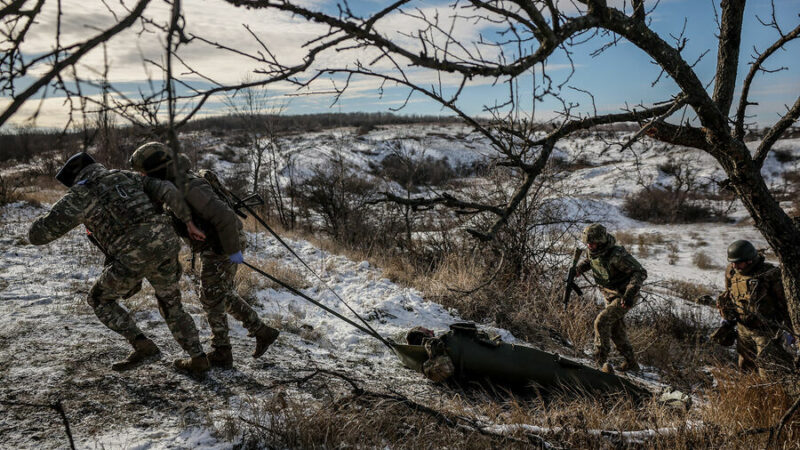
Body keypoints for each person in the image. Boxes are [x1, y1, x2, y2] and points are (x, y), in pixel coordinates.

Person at [28, 152, 211, 375]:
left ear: (73, 179)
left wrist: (51, 213)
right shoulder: (126, 176)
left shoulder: (78, 196)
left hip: (131, 256)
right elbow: (167, 189)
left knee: (99, 299)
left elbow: (37, 236)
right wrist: (188, 221)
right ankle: (198, 357)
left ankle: (143, 346)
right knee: (171, 303)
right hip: (165, 244)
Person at [130, 142, 280, 369]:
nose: (141, 175)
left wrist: (232, 251)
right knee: (219, 294)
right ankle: (261, 332)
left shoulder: (189, 186)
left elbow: (226, 217)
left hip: (222, 244)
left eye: (142, 171)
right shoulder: (173, 182)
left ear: (154, 168)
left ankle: (223, 352)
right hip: (217, 244)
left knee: (211, 297)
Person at [715, 240, 794, 377]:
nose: (734, 265)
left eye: (738, 262)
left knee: (768, 371)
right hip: (743, 328)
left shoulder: (771, 274)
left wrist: (790, 330)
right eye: (732, 262)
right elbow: (729, 293)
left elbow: (785, 304)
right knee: (745, 368)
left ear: (750, 260)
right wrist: (727, 319)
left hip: (766, 331)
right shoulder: (732, 271)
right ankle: (751, 394)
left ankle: (772, 396)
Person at [576, 223, 647, 373]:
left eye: (593, 243)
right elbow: (590, 261)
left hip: (624, 296)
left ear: (601, 241)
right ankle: (631, 363)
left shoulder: (617, 255)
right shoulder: (593, 250)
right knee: (616, 330)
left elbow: (639, 272)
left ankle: (598, 360)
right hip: (609, 294)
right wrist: (579, 269)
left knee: (601, 321)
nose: (590, 246)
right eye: (588, 243)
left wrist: (629, 293)